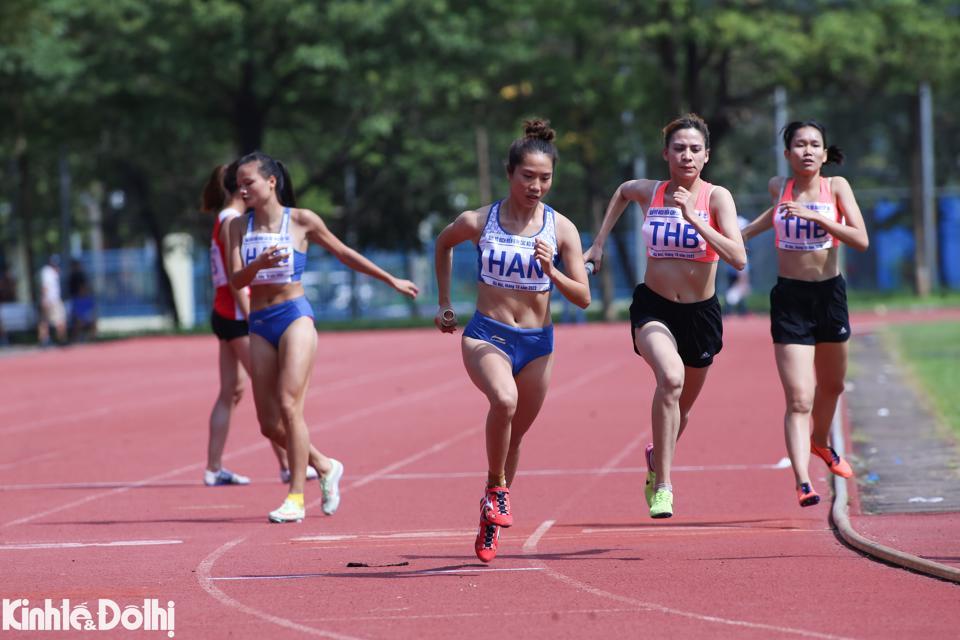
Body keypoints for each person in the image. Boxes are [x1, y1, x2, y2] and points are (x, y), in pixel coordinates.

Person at [227, 151, 419, 523]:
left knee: (289, 404)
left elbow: (344, 253)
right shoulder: (237, 226)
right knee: (268, 424)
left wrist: (390, 279)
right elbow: (236, 281)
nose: (242, 189)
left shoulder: (300, 220)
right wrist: (257, 265)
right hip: (260, 320)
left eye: (248, 182)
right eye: (238, 184)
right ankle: (326, 465)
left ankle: (296, 496)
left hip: (294, 315)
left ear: (271, 181)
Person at [434, 119, 591, 563]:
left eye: (545, 178)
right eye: (528, 177)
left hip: (537, 343)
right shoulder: (480, 220)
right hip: (487, 334)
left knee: (515, 435)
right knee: (503, 401)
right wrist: (445, 302)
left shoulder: (561, 230)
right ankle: (499, 491)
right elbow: (443, 244)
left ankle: (491, 502)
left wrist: (553, 271)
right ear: (510, 173)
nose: (537, 186)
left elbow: (582, 298)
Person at [584, 113, 746, 519]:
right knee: (669, 378)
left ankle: (657, 457)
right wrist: (599, 243)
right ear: (665, 154)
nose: (686, 156)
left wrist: (694, 218)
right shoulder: (650, 192)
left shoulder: (716, 198)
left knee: (681, 409)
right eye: (679, 149)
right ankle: (665, 486)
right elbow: (622, 191)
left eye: (695, 149)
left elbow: (739, 258)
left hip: (700, 315)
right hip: (654, 307)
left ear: (706, 156)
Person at [741, 120, 868, 507]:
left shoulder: (837, 188)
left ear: (825, 154)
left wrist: (820, 219)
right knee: (799, 397)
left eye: (815, 144)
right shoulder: (779, 187)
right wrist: (738, 237)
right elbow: (775, 215)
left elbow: (860, 239)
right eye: (800, 144)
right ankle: (803, 482)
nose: (808, 150)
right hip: (790, 299)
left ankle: (820, 441)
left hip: (829, 296)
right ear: (787, 154)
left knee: (832, 386)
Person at [200, 162, 303, 488]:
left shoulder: (222, 219)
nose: (249, 190)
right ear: (239, 187)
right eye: (245, 183)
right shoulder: (234, 222)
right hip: (238, 313)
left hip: (224, 312)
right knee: (269, 394)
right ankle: (290, 463)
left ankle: (214, 467)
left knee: (231, 390)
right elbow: (236, 279)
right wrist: (251, 316)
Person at [37, 255, 67, 346]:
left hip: (54, 299)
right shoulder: (47, 272)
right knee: (47, 320)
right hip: (50, 300)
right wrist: (44, 299)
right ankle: (45, 340)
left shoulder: (52, 272)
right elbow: (45, 287)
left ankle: (59, 339)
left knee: (52, 320)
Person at [67, 258, 97, 342]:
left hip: (81, 300)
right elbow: (82, 288)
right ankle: (77, 338)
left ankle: (90, 337)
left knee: (88, 319)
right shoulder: (75, 275)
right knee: (79, 320)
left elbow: (83, 288)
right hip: (79, 300)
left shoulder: (78, 275)